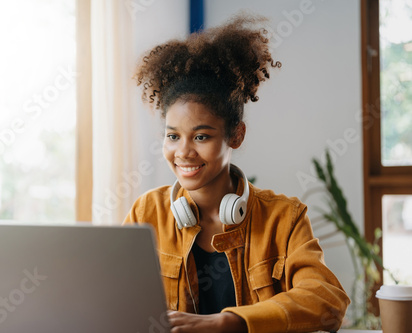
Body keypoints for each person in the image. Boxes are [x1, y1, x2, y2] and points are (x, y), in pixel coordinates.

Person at [123, 14, 350, 333]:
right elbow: (113, 300)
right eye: (173, 136)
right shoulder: (146, 212)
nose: (184, 152)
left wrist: (229, 322)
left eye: (201, 136)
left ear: (236, 136)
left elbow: (326, 302)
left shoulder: (284, 219)